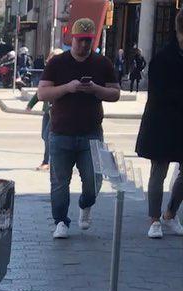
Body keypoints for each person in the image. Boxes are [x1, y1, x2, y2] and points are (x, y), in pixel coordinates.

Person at [37, 17, 120, 239]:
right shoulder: (57, 63)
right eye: (80, 40)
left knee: (94, 181)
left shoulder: (102, 63)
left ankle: (86, 203)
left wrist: (95, 89)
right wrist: (68, 87)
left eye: (88, 41)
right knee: (59, 182)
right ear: (71, 38)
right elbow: (42, 93)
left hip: (91, 133)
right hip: (61, 132)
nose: (84, 45)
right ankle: (61, 222)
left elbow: (115, 93)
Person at [135, 9, 183, 238]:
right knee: (159, 171)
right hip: (163, 122)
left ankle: (170, 214)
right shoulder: (164, 57)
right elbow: (157, 94)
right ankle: (154, 219)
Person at [26, 48, 63, 171]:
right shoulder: (49, 73)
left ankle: (47, 162)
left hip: (57, 111)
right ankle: (55, 159)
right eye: (51, 58)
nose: (51, 61)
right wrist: (30, 104)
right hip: (47, 110)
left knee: (48, 136)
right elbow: (40, 92)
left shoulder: (62, 74)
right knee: (44, 135)